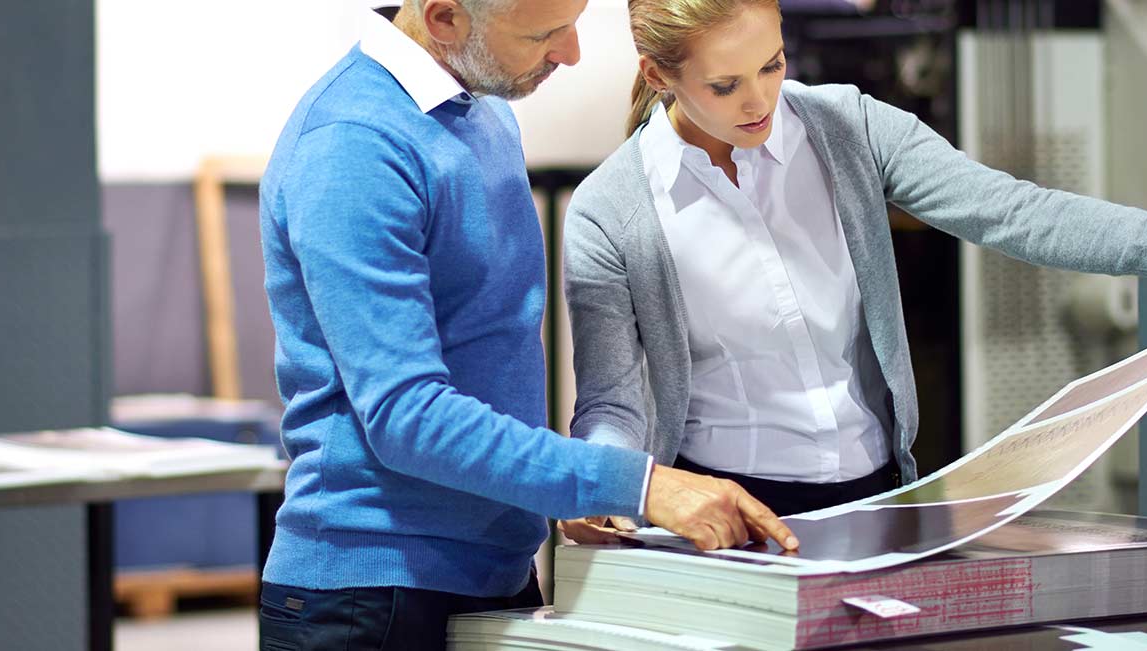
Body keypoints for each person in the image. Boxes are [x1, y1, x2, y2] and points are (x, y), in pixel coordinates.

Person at [558, 0, 1147, 543]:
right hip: (732, 519)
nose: (760, 101)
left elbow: (1013, 211)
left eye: (773, 64)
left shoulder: (847, 128)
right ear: (659, 74)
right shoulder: (610, 211)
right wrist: (607, 486)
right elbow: (613, 404)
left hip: (879, 501)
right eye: (725, 86)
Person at [257, 0, 797, 647]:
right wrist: (636, 483)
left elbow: (491, 356)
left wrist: (584, 480)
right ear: (444, 19)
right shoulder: (355, 143)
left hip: (496, 570)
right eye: (544, 33)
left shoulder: (481, 109)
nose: (571, 52)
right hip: (370, 597)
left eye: (575, 20)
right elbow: (408, 415)